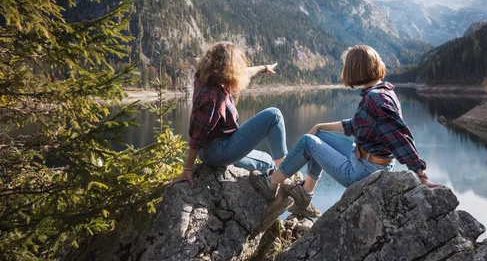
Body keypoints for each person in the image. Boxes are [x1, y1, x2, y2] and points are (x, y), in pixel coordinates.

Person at [250, 45, 440, 218]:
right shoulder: (383, 91)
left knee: (308, 142)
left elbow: (400, 137)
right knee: (318, 136)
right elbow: (357, 125)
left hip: (364, 172)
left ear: (355, 70)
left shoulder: (376, 99)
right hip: (365, 161)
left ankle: (271, 183)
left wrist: (420, 174)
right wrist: (320, 126)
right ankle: (304, 196)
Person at [169, 41, 286, 187]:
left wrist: (264, 68)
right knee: (274, 115)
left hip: (220, 146)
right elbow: (196, 136)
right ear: (229, 68)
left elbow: (246, 72)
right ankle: (286, 174)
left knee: (267, 162)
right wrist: (187, 169)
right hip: (216, 151)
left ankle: (277, 178)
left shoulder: (207, 77)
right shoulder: (211, 96)